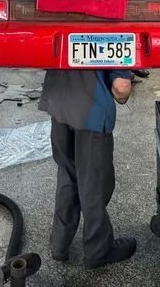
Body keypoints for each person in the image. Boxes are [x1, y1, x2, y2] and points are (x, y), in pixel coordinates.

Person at [38, 69, 135, 268]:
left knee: (67, 173)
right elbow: (121, 87)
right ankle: (98, 250)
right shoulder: (114, 35)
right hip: (92, 109)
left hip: (58, 102)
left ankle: (59, 243)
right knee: (94, 183)